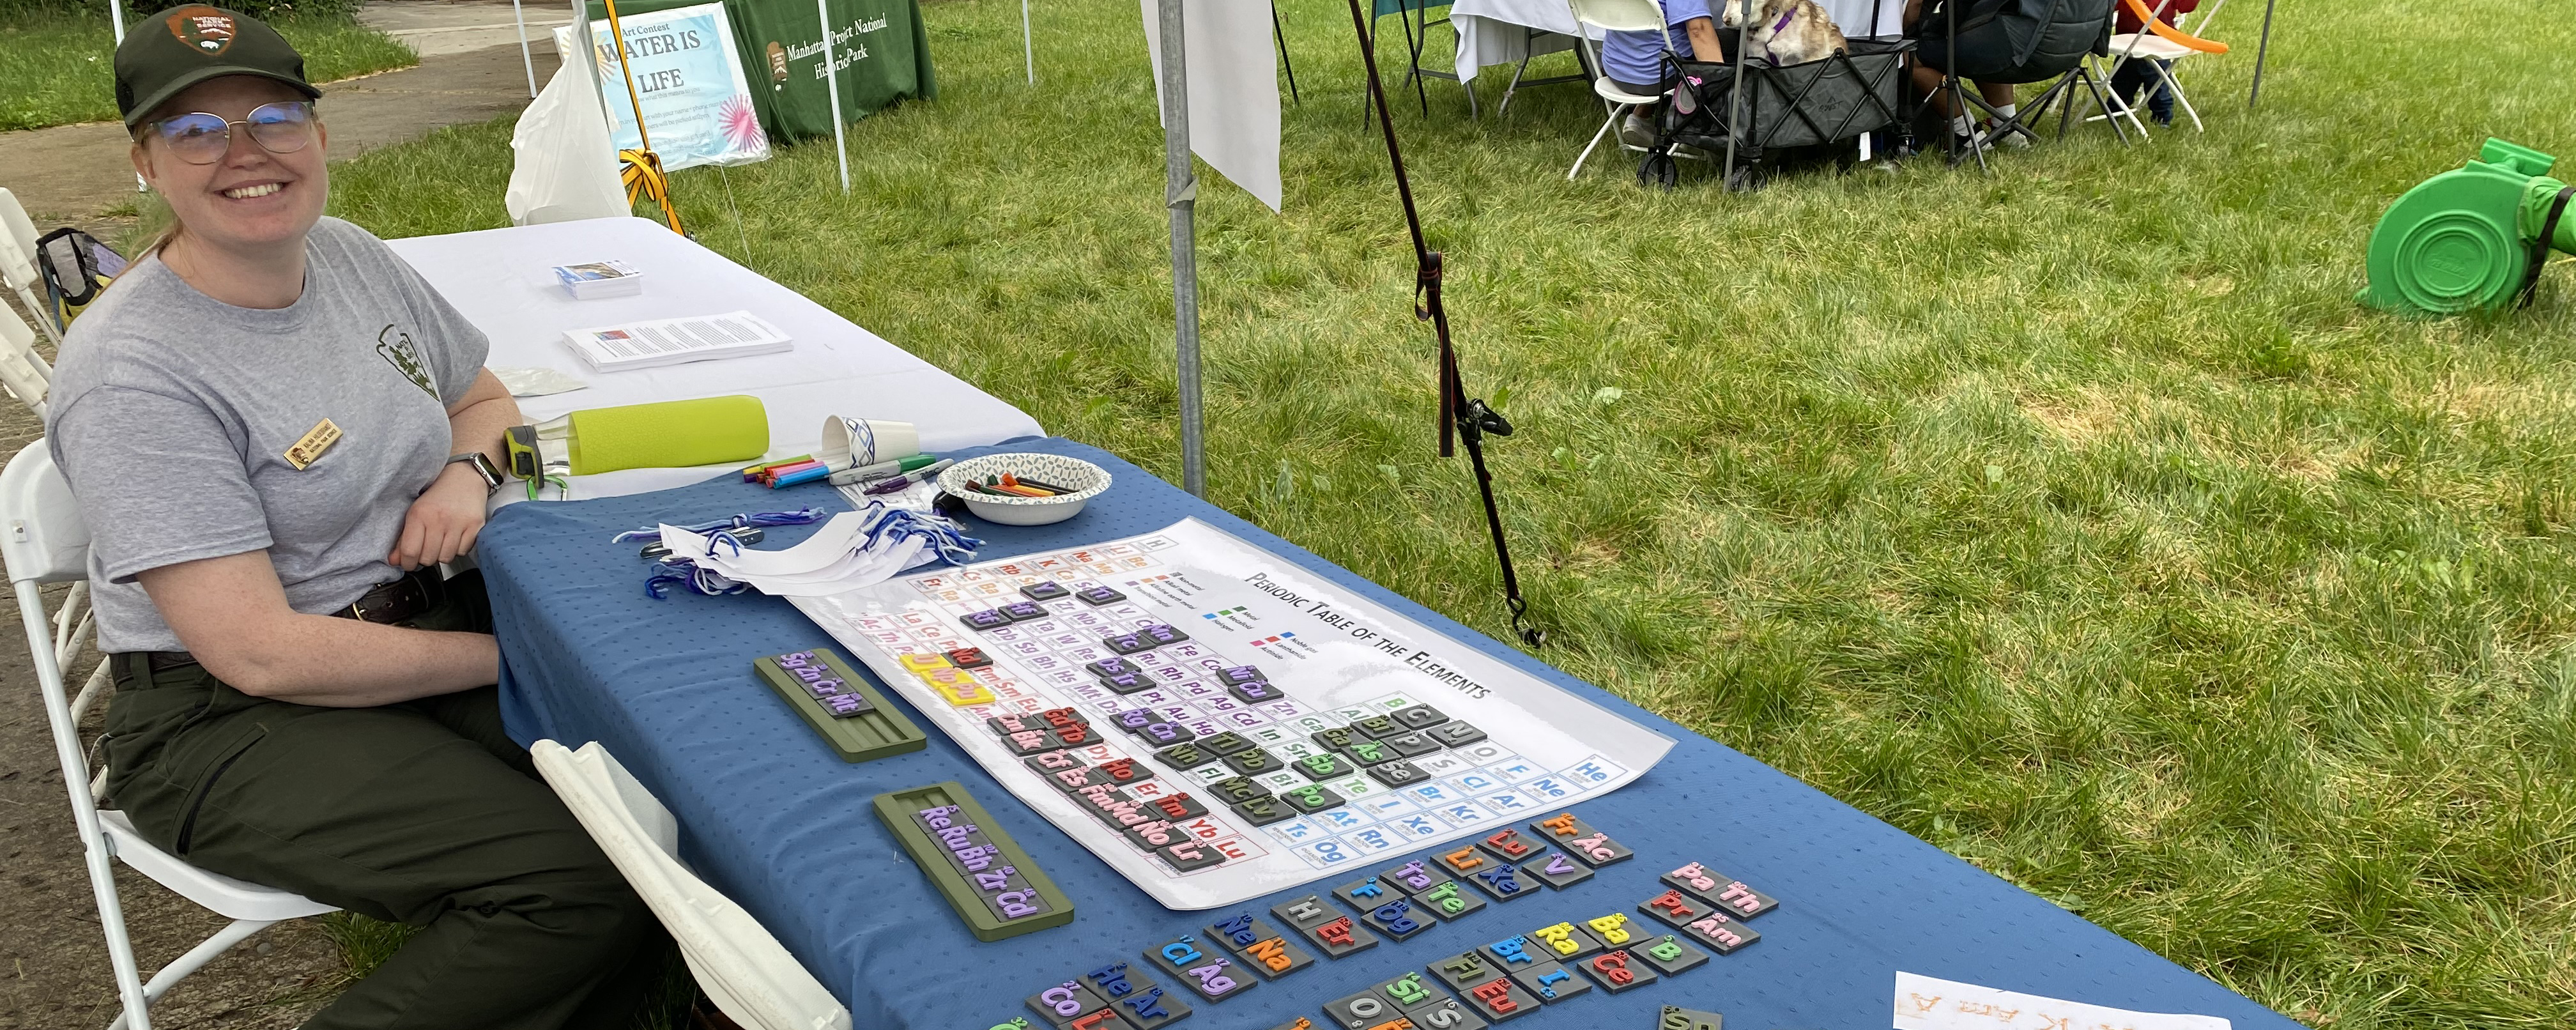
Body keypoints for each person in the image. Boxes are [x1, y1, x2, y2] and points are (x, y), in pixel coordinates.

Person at [45, 8, 667, 1028]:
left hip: (411, 630)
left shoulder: (347, 256)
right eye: (197, 132)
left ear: (318, 138)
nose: (245, 153)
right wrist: (520, 659)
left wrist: (465, 476)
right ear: (145, 164)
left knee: (673, 788)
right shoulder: (133, 373)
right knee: (572, 885)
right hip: (226, 717)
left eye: (272, 117)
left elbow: (487, 402)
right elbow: (260, 654)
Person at [1598, 0, 1726, 149]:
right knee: (1737, 41)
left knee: (1658, 36)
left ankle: (1641, 115)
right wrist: (1720, 86)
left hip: (1616, 69)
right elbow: (1698, 30)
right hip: (1657, 76)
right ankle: (1715, 132)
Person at [2109, 0, 2198, 126]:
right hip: (2128, 44)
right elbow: (2110, 5)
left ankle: (2162, 119)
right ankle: (2115, 112)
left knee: (2158, 88)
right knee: (2121, 85)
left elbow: (2186, 7)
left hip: (2158, 44)